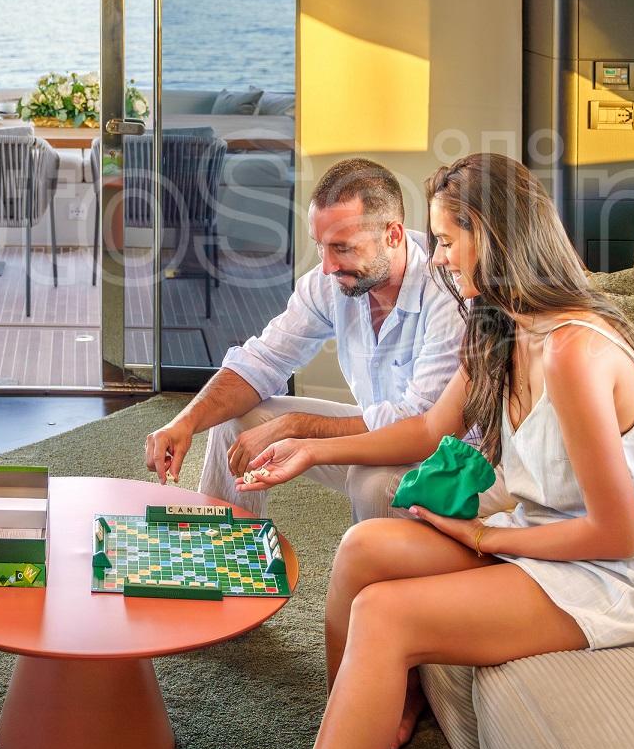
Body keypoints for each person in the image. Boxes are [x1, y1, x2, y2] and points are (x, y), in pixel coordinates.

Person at [239, 153, 634, 749]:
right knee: (361, 549)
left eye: (448, 240)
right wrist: (311, 449)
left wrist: (483, 537)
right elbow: (429, 431)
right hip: (549, 530)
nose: (439, 258)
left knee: (384, 614)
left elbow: (616, 534)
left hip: (620, 571)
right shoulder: (498, 326)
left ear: (494, 236)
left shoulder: (574, 353)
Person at [143, 157, 466, 523]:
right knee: (239, 419)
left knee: (373, 483)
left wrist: (298, 425)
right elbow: (263, 360)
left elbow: (419, 422)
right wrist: (184, 422)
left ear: (392, 235)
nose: (327, 266)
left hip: (445, 458)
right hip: (378, 430)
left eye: (342, 247)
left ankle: (373, 560)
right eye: (320, 246)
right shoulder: (331, 281)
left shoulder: (447, 290)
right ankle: (221, 546)